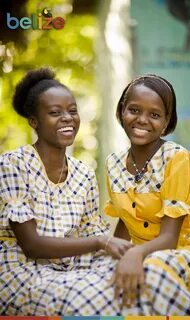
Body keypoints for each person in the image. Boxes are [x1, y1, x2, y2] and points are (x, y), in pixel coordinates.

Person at [0, 67, 135, 315]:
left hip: (74, 268)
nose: (67, 118)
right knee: (91, 296)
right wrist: (100, 242)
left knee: (142, 276)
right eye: (54, 112)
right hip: (22, 271)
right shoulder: (12, 164)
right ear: (34, 122)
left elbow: (94, 234)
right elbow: (31, 245)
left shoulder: (83, 173)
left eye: (72, 111)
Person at [104, 74, 190, 315]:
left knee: (151, 274)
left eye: (154, 115)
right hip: (143, 254)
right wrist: (112, 256)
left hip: (189, 252)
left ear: (165, 123)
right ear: (122, 111)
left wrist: (134, 255)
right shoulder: (113, 164)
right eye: (134, 110)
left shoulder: (178, 159)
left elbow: (170, 240)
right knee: (101, 276)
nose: (142, 120)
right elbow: (126, 220)